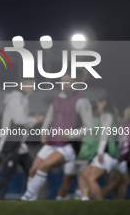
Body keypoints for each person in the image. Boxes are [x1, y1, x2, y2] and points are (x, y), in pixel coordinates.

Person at [21, 69, 93, 201]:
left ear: (76, 83)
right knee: (33, 169)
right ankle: (31, 199)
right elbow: (49, 117)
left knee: (44, 166)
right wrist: (44, 131)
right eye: (62, 82)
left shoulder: (82, 101)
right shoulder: (56, 99)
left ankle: (27, 197)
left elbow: (89, 127)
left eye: (67, 82)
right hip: (53, 142)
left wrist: (70, 134)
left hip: (69, 146)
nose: (64, 85)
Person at [0, 78, 44, 200]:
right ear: (24, 85)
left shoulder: (22, 98)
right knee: (6, 174)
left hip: (20, 145)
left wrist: (31, 119)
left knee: (32, 170)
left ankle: (28, 197)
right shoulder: (16, 98)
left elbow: (21, 119)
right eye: (32, 85)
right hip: (11, 143)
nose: (33, 88)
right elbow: (18, 120)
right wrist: (35, 120)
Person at [79, 95, 120, 200]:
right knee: (83, 174)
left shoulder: (106, 116)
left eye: (99, 102)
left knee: (90, 178)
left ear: (104, 103)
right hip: (113, 153)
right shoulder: (112, 116)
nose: (98, 105)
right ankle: (85, 201)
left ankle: (100, 207)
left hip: (108, 153)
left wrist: (100, 152)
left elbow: (104, 135)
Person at [56, 101, 99, 200]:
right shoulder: (96, 122)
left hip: (75, 153)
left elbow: (66, 136)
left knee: (67, 181)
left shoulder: (78, 121)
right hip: (84, 155)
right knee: (82, 180)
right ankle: (80, 199)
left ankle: (59, 200)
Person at [101, 106, 130, 199]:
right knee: (117, 182)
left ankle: (119, 201)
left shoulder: (121, 124)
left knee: (117, 182)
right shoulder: (124, 125)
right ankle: (97, 197)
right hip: (120, 158)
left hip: (119, 157)